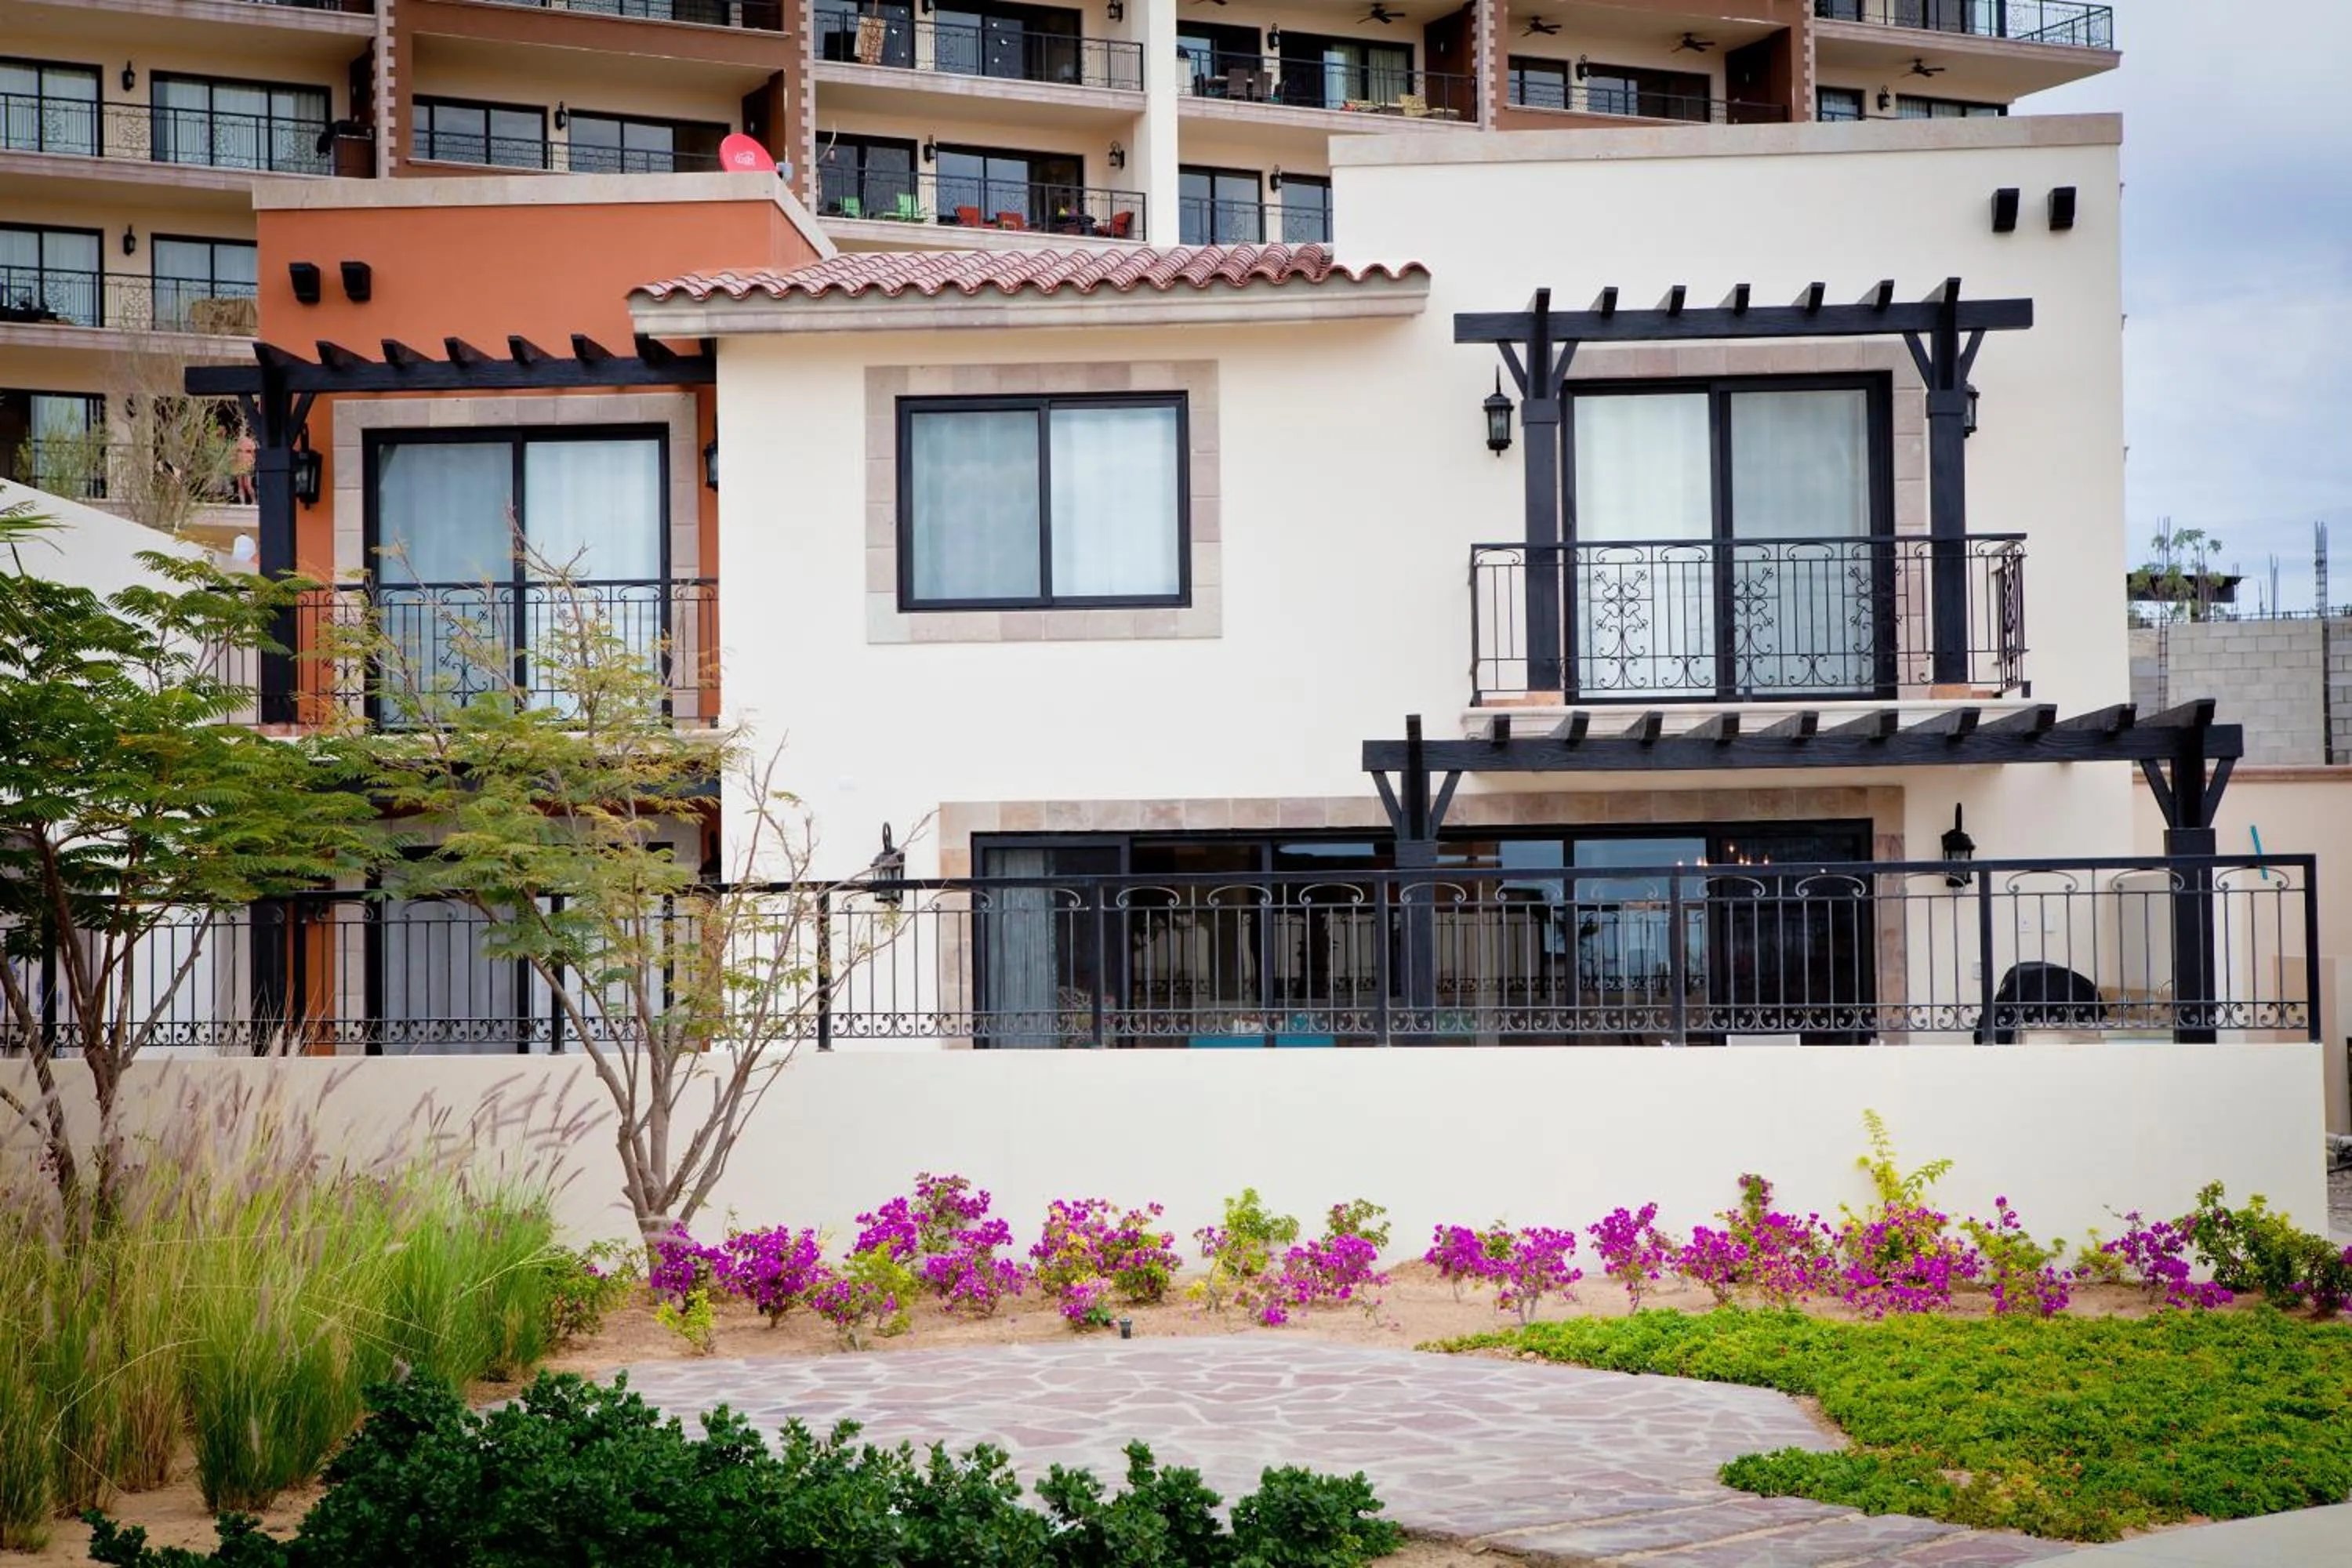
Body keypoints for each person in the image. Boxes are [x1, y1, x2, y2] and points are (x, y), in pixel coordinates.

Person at [233, 427, 256, 503]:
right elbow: (234, 454)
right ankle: (242, 502)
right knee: (240, 484)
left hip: (247, 464)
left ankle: (254, 500)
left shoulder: (250, 442)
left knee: (247, 484)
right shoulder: (237, 443)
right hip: (239, 464)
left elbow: (254, 455)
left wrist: (252, 463)